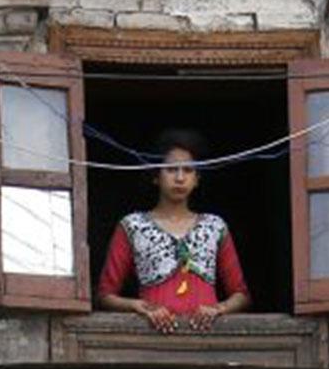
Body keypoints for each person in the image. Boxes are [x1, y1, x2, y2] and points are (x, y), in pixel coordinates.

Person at [95, 131, 250, 335]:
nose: (179, 178)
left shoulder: (215, 227)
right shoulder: (132, 226)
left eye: (188, 170)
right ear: (156, 176)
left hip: (209, 340)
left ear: (197, 179)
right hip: (151, 339)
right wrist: (137, 306)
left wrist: (217, 309)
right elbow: (105, 295)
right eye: (170, 169)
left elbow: (241, 295)